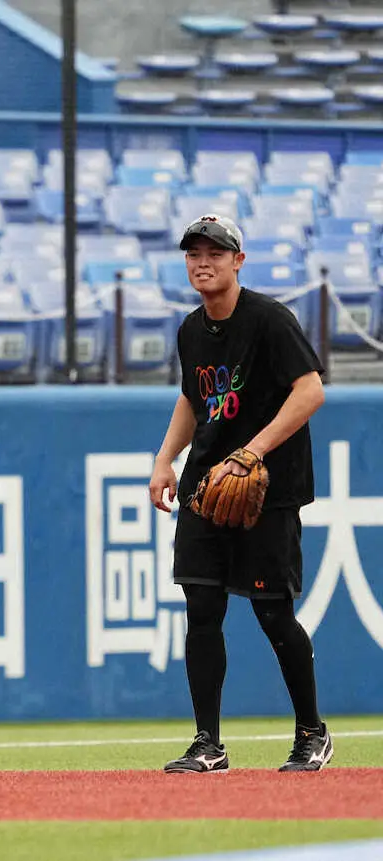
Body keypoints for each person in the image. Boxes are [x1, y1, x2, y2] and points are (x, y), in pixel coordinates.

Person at [149, 213, 332, 774]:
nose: (202, 261)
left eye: (215, 252)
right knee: (201, 608)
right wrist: (165, 458)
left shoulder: (270, 320)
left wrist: (251, 452)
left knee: (274, 613)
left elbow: (310, 392)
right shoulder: (190, 329)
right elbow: (193, 400)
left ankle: (311, 733)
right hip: (207, 488)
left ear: (238, 261)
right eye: (193, 253)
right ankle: (208, 743)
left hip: (266, 490)